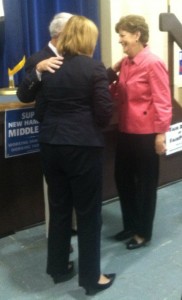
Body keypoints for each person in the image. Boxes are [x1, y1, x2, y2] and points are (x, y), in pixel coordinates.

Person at [19, 15, 115, 295]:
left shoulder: (50, 67)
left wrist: (38, 71)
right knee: (88, 213)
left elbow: (39, 105)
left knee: (59, 208)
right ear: (87, 38)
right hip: (83, 147)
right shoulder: (94, 68)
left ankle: (58, 268)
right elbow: (105, 113)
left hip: (51, 145)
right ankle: (91, 278)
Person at [107, 15, 172, 250]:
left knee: (145, 185)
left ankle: (143, 232)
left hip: (146, 134)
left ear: (136, 35)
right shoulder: (125, 63)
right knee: (123, 179)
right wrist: (111, 74)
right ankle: (130, 224)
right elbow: (116, 94)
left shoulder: (153, 63)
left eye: (122, 35)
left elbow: (163, 101)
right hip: (125, 130)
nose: (120, 41)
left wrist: (160, 134)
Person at [17, 12, 77, 249]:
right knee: (54, 190)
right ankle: (57, 235)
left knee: (74, 185)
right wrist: (38, 71)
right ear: (60, 34)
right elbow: (24, 96)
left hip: (74, 133)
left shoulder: (74, 57)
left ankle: (74, 226)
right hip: (51, 135)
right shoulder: (37, 58)